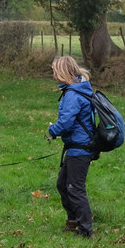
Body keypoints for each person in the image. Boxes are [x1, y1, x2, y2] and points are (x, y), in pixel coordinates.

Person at [48, 56, 96, 238]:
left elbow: (66, 123)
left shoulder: (73, 94)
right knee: (62, 184)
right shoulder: (79, 89)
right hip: (77, 146)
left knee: (75, 188)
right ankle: (73, 220)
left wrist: (52, 130)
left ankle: (85, 229)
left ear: (63, 72)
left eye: (55, 71)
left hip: (80, 148)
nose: (53, 75)